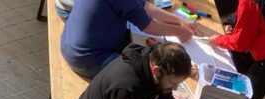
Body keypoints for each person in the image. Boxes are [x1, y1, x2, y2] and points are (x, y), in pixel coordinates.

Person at [61, 0, 200, 78]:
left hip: (72, 46)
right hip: (88, 60)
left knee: (146, 54)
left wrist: (179, 21)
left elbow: (145, 7)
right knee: (149, 75)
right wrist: (179, 32)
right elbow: (150, 27)